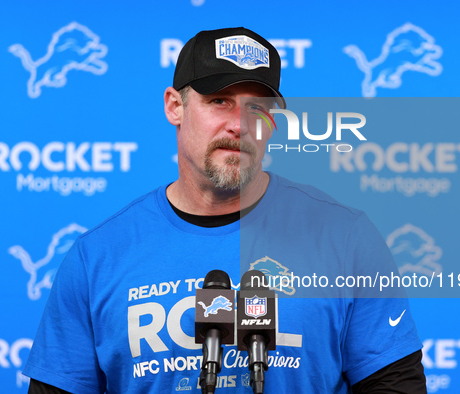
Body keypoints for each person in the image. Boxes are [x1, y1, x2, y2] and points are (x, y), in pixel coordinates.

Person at [24, 27, 426, 393]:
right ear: (174, 107)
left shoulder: (344, 237)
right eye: (219, 101)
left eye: (257, 108)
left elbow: (396, 386)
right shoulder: (97, 256)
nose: (239, 125)